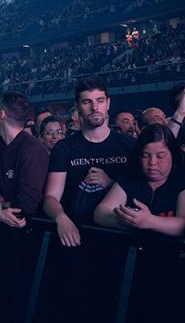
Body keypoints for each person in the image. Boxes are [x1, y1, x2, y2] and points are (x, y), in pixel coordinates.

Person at [43, 77, 135, 246]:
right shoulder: (64, 148)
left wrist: (111, 183)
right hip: (76, 235)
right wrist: (60, 217)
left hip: (121, 237)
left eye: (100, 100)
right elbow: (50, 197)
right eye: (87, 102)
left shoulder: (129, 145)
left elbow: (143, 191)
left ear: (108, 103)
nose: (95, 107)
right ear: (78, 107)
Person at [94, 124, 185, 236]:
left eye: (160, 156)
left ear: (173, 155)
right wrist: (121, 220)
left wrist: (150, 221)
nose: (152, 162)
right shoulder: (130, 178)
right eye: (145, 155)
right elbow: (100, 212)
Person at [0, 92, 49, 228]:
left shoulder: (32, 149)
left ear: (1, 114)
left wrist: (2, 203)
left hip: (29, 229)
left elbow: (26, 204)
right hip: (2, 225)